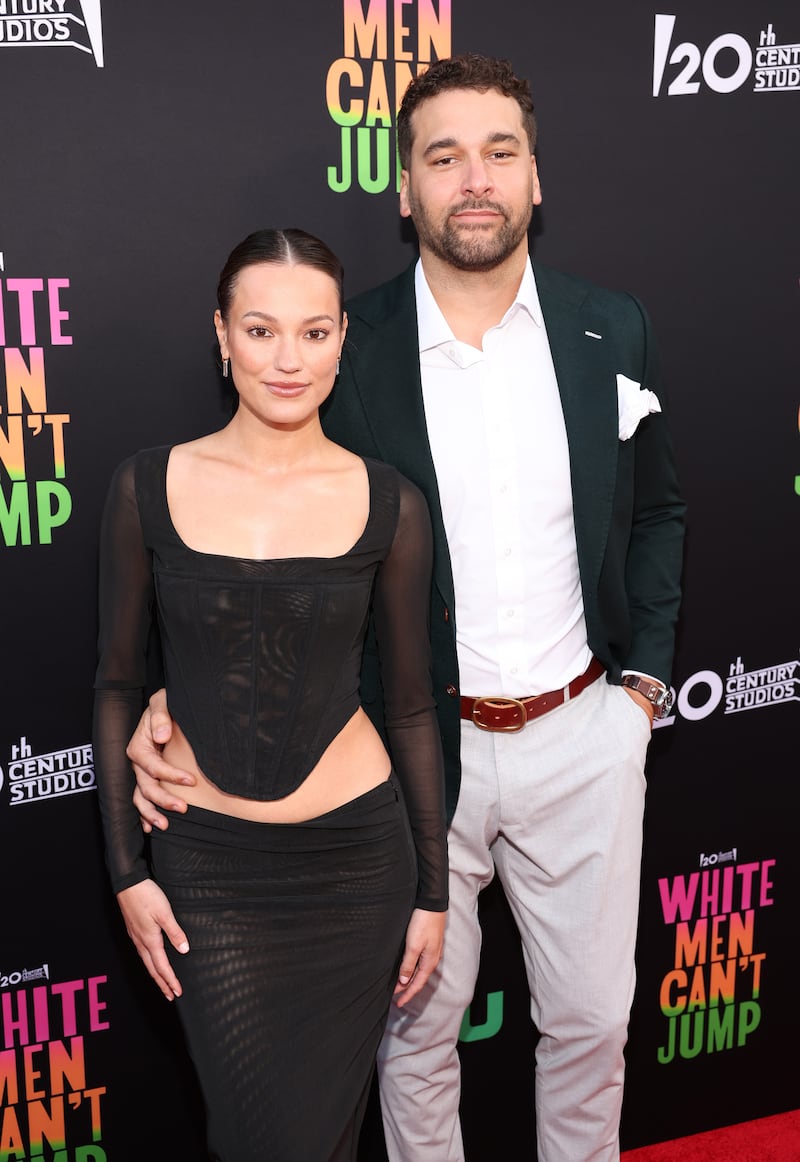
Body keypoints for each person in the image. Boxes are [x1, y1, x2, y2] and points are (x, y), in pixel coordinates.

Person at [127, 55, 685, 1162]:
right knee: (413, 1033)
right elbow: (261, 535)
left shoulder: (607, 329)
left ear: (534, 179)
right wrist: (167, 687)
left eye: (497, 152)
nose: (471, 179)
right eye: (442, 157)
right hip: (406, 752)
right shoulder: (343, 346)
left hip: (583, 734)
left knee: (589, 1025)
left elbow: (657, 509)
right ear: (404, 191)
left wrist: (642, 687)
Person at [92, 227, 448, 1162]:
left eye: (315, 332)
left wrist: (434, 890)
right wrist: (127, 871)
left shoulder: (391, 500)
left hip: (359, 866)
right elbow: (119, 682)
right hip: (208, 870)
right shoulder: (145, 486)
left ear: (341, 340)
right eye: (260, 330)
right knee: (255, 1135)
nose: (289, 360)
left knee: (324, 1136)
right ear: (221, 336)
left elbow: (411, 705)